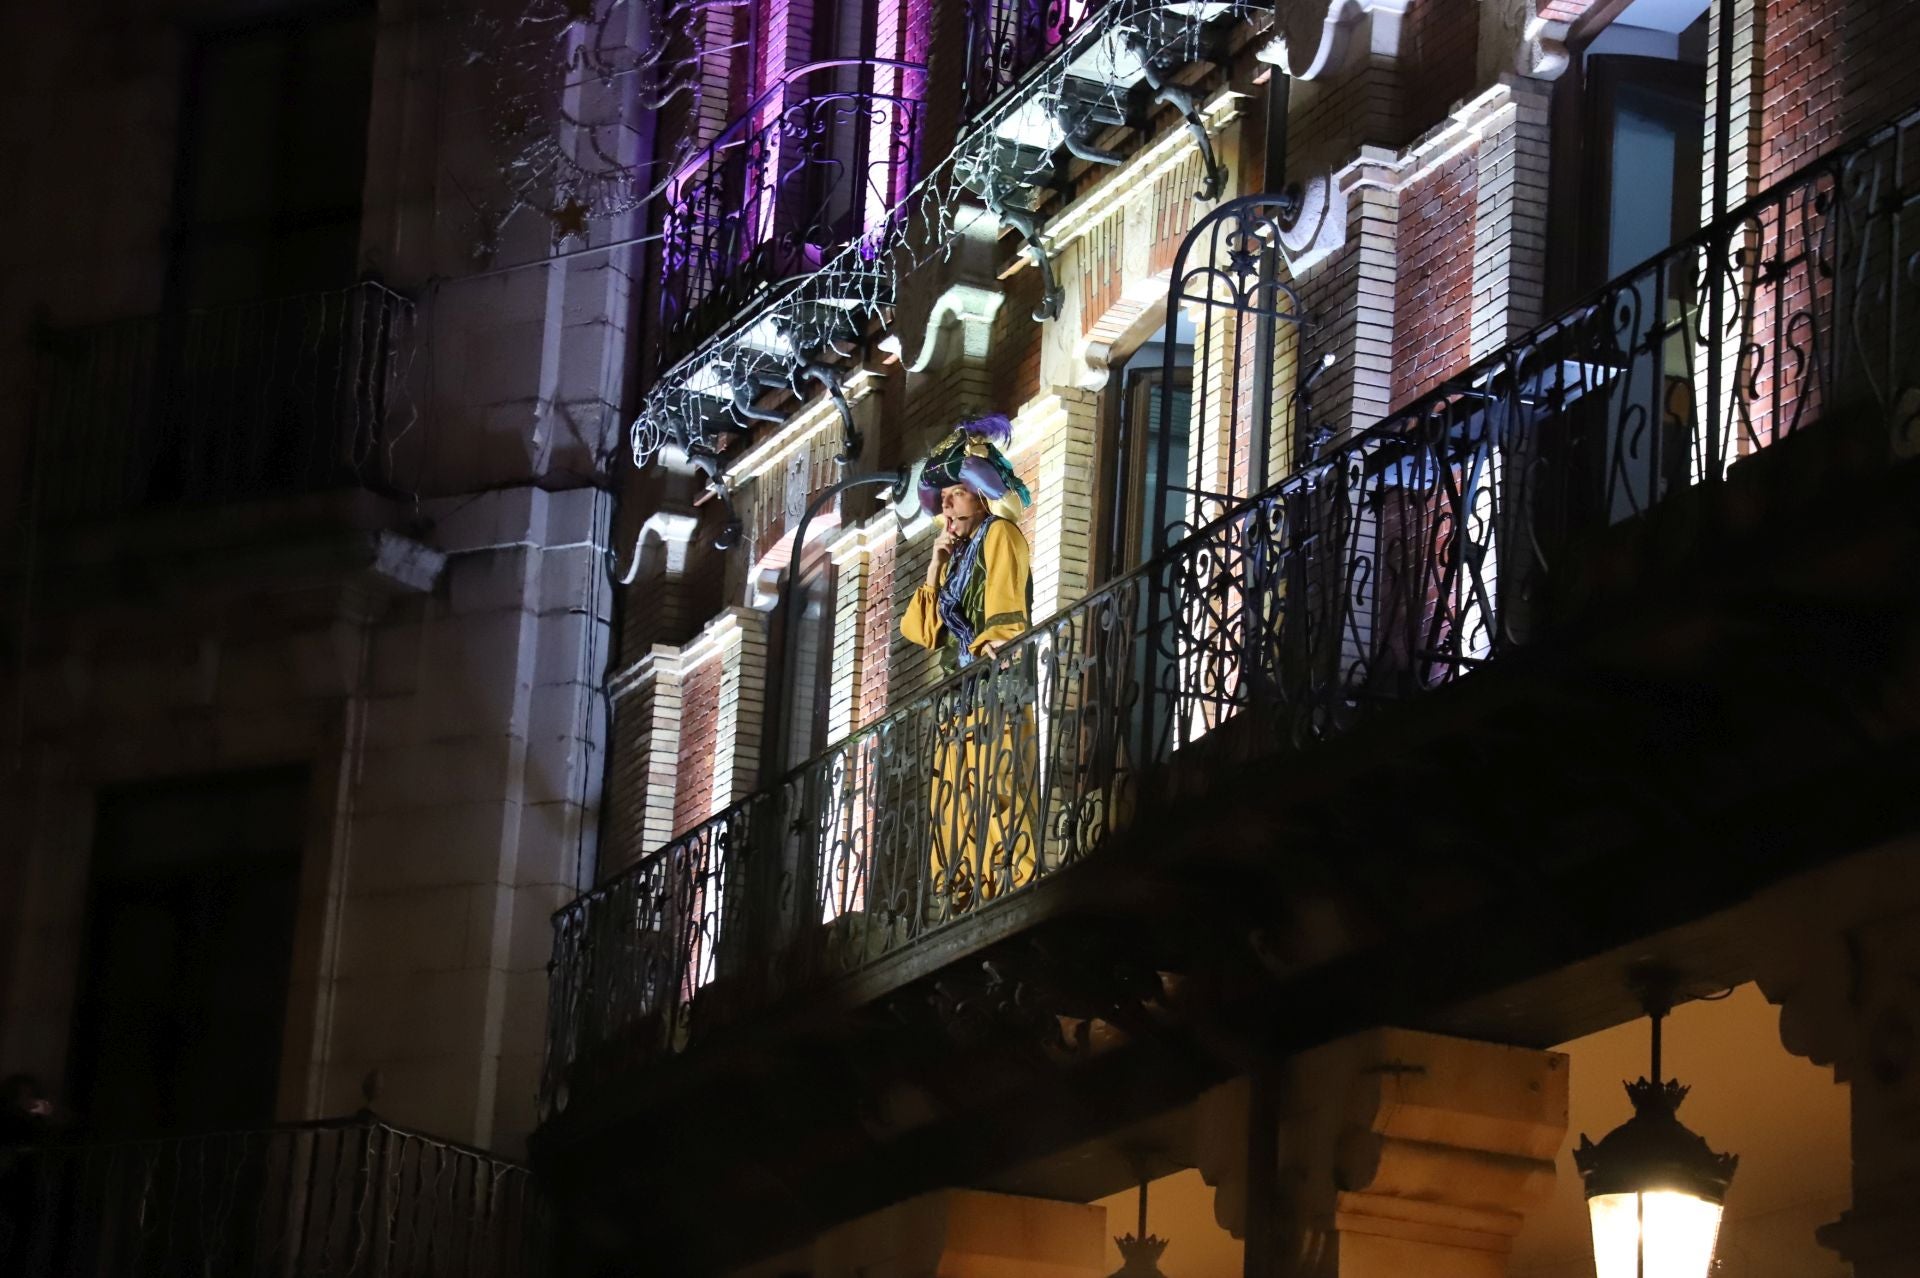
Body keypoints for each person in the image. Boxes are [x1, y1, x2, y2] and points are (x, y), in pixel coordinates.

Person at [900, 413, 1039, 916]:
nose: (946, 503)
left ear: (981, 495)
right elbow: (920, 631)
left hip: (994, 678)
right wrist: (935, 565)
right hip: (960, 690)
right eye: (943, 497)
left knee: (997, 780)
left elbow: (1004, 616)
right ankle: (962, 885)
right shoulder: (955, 558)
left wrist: (991, 654)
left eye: (956, 491)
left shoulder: (1000, 535)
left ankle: (1007, 872)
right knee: (955, 795)